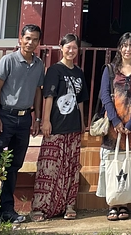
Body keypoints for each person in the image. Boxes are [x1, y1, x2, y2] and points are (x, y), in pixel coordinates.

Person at [0, 24, 45, 224]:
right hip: (5, 117)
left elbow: (38, 91)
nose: (31, 42)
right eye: (27, 38)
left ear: (38, 42)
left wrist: (37, 118)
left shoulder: (38, 65)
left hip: (24, 119)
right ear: (21, 39)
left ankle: (7, 209)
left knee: (13, 166)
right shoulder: (8, 61)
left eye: (35, 39)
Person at [31, 33, 88, 221]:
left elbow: (80, 101)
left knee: (70, 168)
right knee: (49, 168)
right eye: (68, 47)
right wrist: (45, 121)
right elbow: (48, 97)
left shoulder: (79, 72)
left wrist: (82, 122)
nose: (71, 51)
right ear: (61, 47)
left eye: (74, 47)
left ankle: (68, 205)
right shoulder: (54, 70)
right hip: (55, 126)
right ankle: (41, 207)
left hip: (73, 127)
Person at [97, 32, 131, 221]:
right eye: (124, 45)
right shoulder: (110, 70)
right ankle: (112, 203)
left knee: (129, 162)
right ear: (119, 48)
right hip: (112, 124)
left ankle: (124, 202)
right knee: (111, 161)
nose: (128, 49)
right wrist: (116, 121)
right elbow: (104, 95)